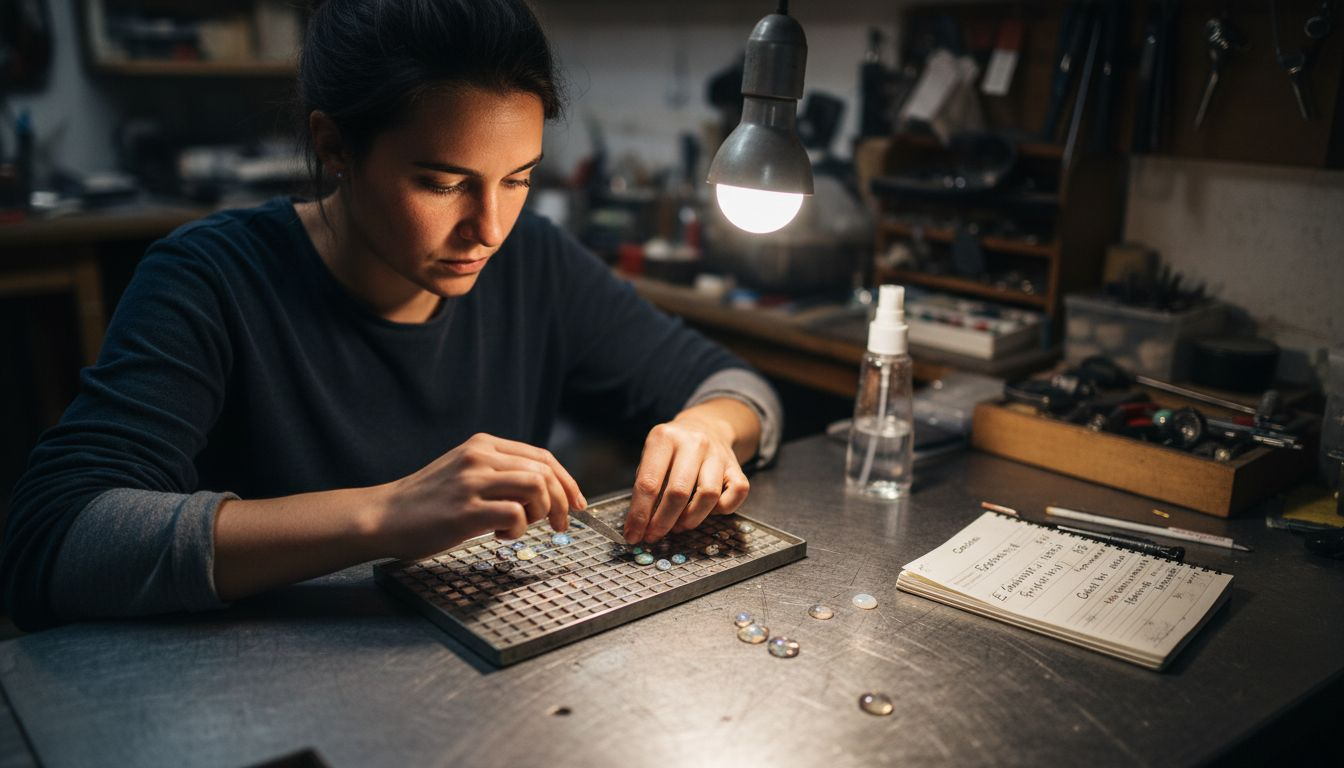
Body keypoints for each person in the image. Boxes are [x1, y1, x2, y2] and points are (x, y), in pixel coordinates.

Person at [0, 0, 781, 630]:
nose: (489, 228)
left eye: (517, 180)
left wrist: (708, 430)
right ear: (333, 145)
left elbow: (736, 385)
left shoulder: (533, 260)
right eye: (443, 184)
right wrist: (387, 513)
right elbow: (55, 542)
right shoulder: (210, 277)